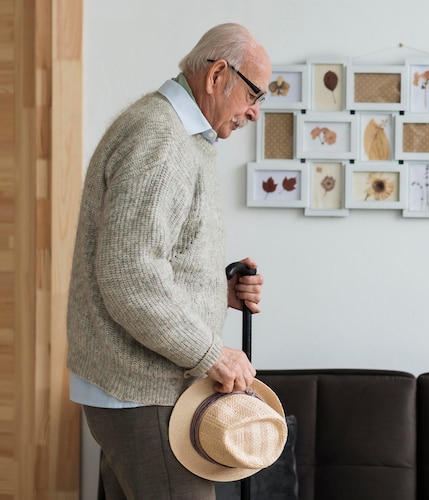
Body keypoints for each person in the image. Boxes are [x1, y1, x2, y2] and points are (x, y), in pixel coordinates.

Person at [66, 23, 272, 500]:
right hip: (147, 394)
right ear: (218, 74)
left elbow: (149, 261)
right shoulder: (161, 138)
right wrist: (211, 354)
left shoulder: (177, 137)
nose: (255, 112)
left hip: (143, 391)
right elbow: (128, 276)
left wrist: (215, 292)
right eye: (253, 93)